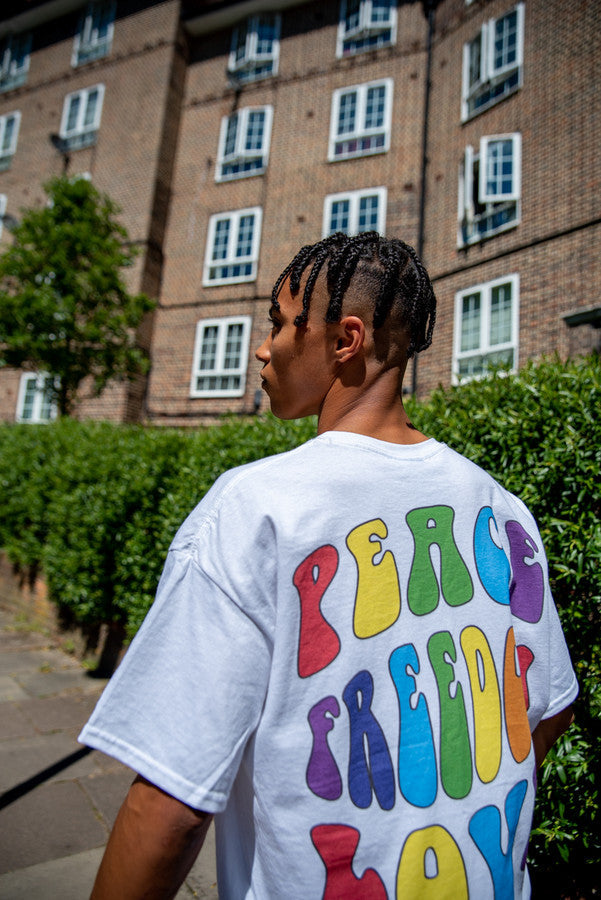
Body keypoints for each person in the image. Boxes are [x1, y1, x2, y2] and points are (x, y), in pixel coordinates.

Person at [80, 232, 577, 899]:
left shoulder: (257, 506)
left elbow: (170, 803)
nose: (265, 348)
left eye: (283, 325)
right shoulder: (500, 508)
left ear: (345, 339)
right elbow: (548, 710)